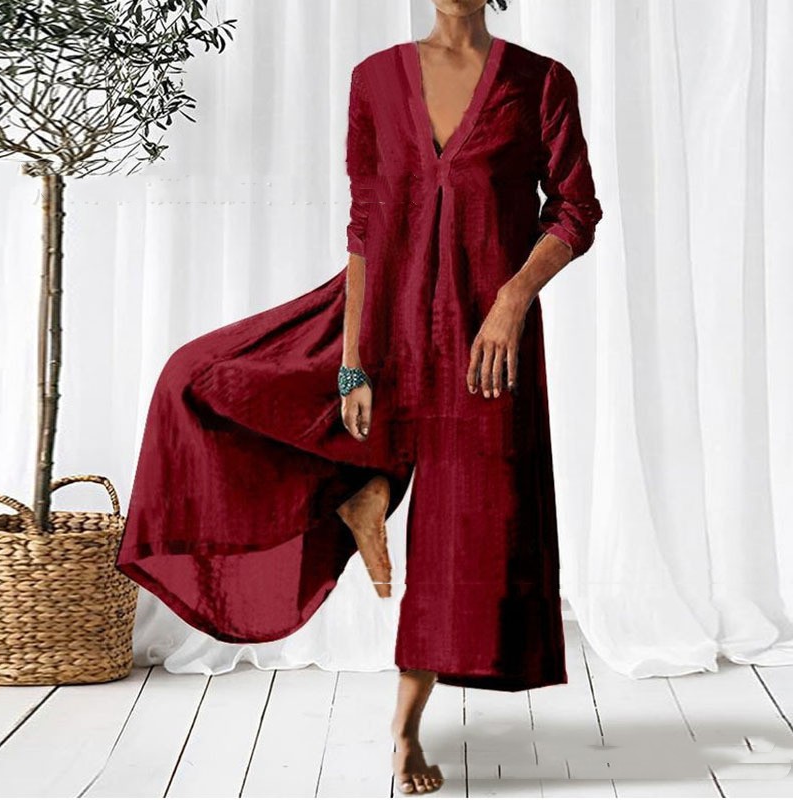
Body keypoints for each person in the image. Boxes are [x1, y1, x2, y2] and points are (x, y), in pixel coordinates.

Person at [116, 0, 603, 794]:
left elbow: (576, 210)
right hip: (382, 318)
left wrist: (512, 301)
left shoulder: (540, 82)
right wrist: (352, 365)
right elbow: (367, 225)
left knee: (461, 544)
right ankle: (363, 486)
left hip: (485, 340)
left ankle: (405, 732)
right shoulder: (375, 79)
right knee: (198, 376)